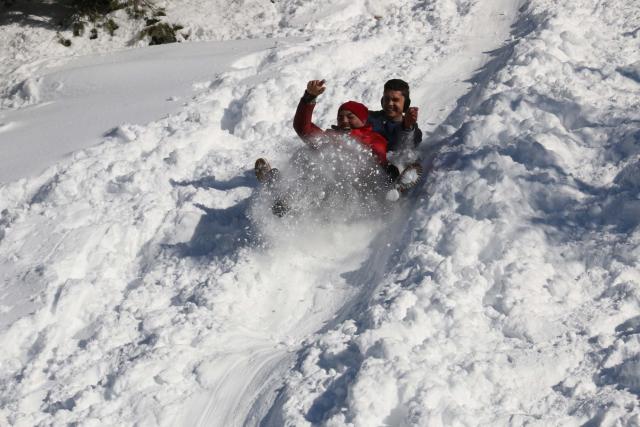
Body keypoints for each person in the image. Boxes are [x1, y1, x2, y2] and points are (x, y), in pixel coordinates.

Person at [368, 79, 423, 196]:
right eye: (387, 99)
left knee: (406, 158)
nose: (390, 103)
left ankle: (398, 186)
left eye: (395, 100)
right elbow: (351, 114)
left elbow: (412, 143)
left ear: (406, 104)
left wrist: (408, 126)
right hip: (367, 166)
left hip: (389, 169)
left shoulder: (408, 126)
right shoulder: (370, 118)